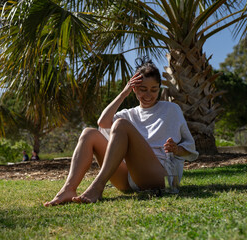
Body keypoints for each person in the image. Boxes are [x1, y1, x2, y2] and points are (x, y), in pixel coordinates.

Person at [44, 57, 198, 206]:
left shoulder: (171, 109)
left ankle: (97, 186)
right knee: (88, 133)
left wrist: (177, 149)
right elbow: (102, 122)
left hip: (159, 176)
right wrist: (124, 93)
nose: (148, 95)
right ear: (134, 88)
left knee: (121, 125)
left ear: (159, 89)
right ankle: (68, 190)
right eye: (143, 89)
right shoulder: (128, 114)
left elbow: (190, 148)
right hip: (128, 180)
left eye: (154, 90)